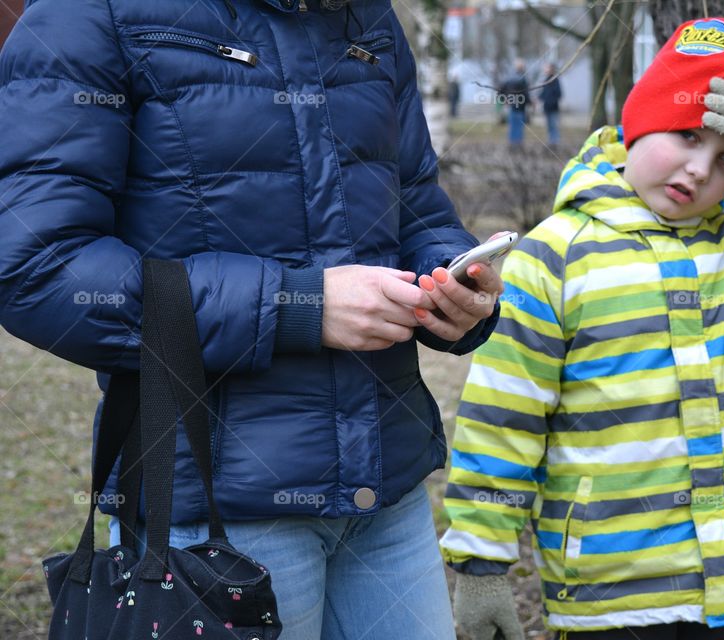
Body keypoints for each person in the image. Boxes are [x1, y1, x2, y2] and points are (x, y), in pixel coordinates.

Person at [0, 0, 503, 638]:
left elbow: (416, 204)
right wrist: (298, 307)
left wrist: (451, 282)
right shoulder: (87, 13)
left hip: (389, 495)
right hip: (215, 515)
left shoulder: (367, 17)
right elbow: (37, 267)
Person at [440, 16, 724, 640]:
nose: (700, 170)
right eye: (685, 135)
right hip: (611, 580)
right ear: (637, 122)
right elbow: (504, 417)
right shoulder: (555, 255)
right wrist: (482, 564)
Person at [499, 59, 529, 147]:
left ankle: (514, 143)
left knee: (514, 126)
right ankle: (516, 143)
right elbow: (526, 93)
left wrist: (504, 99)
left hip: (516, 106)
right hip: (519, 106)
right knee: (517, 126)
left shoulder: (510, 77)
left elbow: (501, 90)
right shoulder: (522, 79)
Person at [539, 62, 562, 146]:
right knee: (549, 126)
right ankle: (551, 142)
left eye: (546, 68)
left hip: (553, 108)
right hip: (547, 108)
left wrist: (551, 102)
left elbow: (559, 94)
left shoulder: (555, 81)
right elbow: (543, 94)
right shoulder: (546, 81)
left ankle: (555, 142)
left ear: (551, 69)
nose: (545, 70)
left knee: (554, 126)